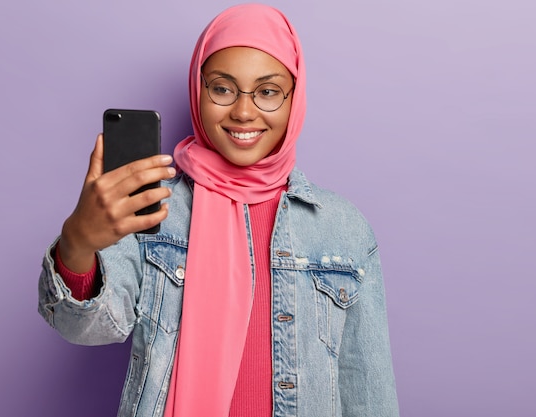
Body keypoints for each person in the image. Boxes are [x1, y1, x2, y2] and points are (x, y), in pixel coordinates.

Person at [38, 3, 399, 416]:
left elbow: (368, 391)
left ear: (294, 98)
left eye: (267, 91)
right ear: (198, 89)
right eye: (223, 88)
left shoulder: (343, 229)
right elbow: (87, 327)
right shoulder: (152, 208)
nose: (244, 111)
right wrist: (79, 242)